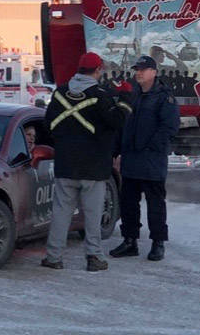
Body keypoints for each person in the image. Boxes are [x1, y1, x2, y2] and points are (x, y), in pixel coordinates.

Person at [42, 52, 133, 272]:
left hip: (66, 163)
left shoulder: (60, 92)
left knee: (62, 213)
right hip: (94, 167)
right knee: (93, 215)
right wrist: (125, 98)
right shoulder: (100, 95)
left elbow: (48, 125)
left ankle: (53, 257)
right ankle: (94, 257)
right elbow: (117, 121)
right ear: (98, 70)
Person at [110, 55, 179, 262]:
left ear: (154, 72)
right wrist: (117, 150)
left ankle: (158, 243)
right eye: (137, 69)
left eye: (143, 69)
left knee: (155, 204)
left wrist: (149, 147)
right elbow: (123, 125)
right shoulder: (134, 95)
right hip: (131, 160)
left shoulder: (164, 97)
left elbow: (169, 127)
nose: (138, 72)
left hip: (151, 161)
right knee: (128, 203)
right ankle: (130, 241)